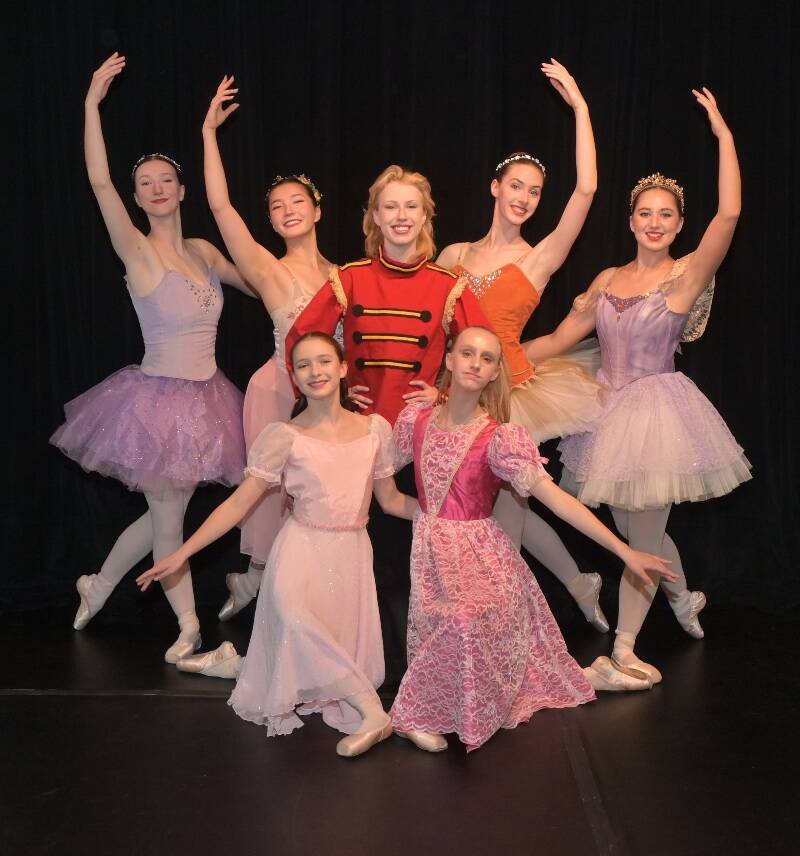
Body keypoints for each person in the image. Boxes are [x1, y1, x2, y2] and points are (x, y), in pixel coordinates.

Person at [525, 88, 751, 687]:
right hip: (603, 407)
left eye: (667, 215)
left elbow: (727, 216)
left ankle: (625, 648)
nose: (655, 223)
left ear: (680, 225)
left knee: (642, 536)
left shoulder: (685, 274)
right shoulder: (607, 278)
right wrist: (496, 359)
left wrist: (724, 136)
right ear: (631, 221)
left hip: (656, 414)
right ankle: (682, 600)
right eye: (645, 214)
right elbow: (555, 340)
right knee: (633, 533)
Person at [50, 53, 252, 662]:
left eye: (167, 180)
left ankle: (100, 583)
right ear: (138, 197)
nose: (158, 189)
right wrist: (91, 103)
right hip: (157, 402)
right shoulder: (137, 250)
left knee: (167, 511)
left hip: (207, 397)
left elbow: (264, 284)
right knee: (170, 522)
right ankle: (189, 626)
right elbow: (97, 181)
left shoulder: (203, 251)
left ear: (182, 189)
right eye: (147, 184)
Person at [389, 327, 675, 753]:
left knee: (466, 619)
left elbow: (557, 501)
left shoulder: (498, 437)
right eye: (467, 353)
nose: (475, 363)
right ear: (448, 360)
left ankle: (420, 712)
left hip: (485, 557)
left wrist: (624, 550)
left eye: (486, 359)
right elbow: (380, 477)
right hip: (433, 551)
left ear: (493, 374)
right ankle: (430, 710)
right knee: (446, 625)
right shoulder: (416, 420)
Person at [137, 333, 417, 757]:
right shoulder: (284, 436)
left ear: (343, 369)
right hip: (300, 549)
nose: (315, 371)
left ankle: (232, 661)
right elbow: (237, 504)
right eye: (303, 365)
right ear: (295, 377)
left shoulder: (375, 429)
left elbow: (392, 500)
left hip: (350, 555)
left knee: (307, 648)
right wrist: (181, 553)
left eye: (324, 361)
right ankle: (374, 713)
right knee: (295, 619)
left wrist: (451, 515)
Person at [284, 165, 489, 687]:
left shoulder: (450, 284)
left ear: (425, 216)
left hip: (423, 438)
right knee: (365, 565)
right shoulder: (348, 277)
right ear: (375, 215)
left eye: (410, 207)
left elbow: (484, 353)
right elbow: (303, 341)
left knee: (414, 566)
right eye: (390, 207)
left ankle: (415, 676)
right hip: (356, 438)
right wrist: (336, 382)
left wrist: (443, 393)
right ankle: (359, 673)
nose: (400, 217)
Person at [437, 59, 607, 632]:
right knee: (501, 504)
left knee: (508, 508)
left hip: (509, 390)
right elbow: (428, 323)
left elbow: (586, 190)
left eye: (535, 192)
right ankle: (578, 583)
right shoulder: (454, 255)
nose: (526, 199)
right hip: (458, 388)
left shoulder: (539, 259)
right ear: (495, 187)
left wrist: (580, 108)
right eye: (517, 187)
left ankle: (503, 626)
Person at [201, 76, 335, 621]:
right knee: (274, 498)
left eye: (296, 202)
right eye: (277, 207)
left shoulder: (343, 273)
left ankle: (262, 587)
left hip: (324, 400)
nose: (286, 211)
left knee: (313, 504)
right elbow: (220, 207)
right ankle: (265, 591)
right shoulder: (269, 269)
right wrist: (209, 133)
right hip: (277, 391)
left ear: (317, 210)